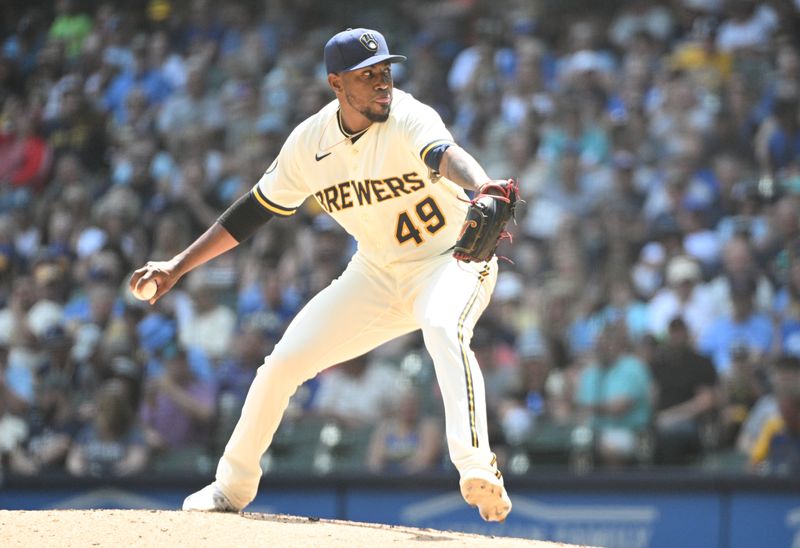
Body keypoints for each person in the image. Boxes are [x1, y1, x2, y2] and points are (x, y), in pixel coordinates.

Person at [130, 28, 512, 522]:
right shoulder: (309, 143)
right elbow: (252, 212)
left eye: (386, 71)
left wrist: (482, 184)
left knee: (443, 328)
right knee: (282, 364)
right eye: (368, 75)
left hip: (450, 262)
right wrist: (178, 265)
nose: (382, 83)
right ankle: (231, 486)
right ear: (336, 83)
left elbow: (445, 154)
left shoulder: (408, 116)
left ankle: (476, 467)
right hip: (375, 273)